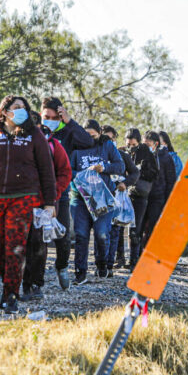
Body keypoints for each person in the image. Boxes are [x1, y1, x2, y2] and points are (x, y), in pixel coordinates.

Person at [0, 95, 56, 313]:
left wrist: (49, 202)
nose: (21, 111)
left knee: (15, 247)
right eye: (16, 107)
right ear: (4, 111)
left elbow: (47, 169)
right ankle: (10, 283)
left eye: (24, 108)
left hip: (23, 199)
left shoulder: (34, 135)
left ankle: (10, 294)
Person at [40, 97, 93, 290]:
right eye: (47, 116)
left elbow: (87, 142)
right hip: (36, 193)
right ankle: (36, 278)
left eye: (55, 117)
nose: (50, 120)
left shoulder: (67, 132)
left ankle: (61, 266)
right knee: (38, 238)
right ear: (41, 114)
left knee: (62, 238)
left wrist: (70, 122)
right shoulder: (35, 131)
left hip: (60, 192)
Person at [21, 111, 72, 301]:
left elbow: (65, 172)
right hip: (18, 201)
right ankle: (17, 283)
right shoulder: (15, 143)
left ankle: (34, 285)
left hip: (44, 203)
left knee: (38, 244)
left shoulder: (52, 144)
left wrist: (52, 196)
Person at [70, 120, 124, 284]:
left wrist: (104, 168)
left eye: (93, 135)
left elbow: (120, 166)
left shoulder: (107, 146)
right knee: (81, 235)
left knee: (101, 234)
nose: (89, 139)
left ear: (99, 133)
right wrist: (82, 174)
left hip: (101, 198)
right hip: (80, 198)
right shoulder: (75, 147)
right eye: (86, 135)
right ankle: (80, 272)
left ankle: (102, 264)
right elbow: (67, 169)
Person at [102, 125, 140, 277]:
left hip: (117, 200)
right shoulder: (96, 154)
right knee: (101, 233)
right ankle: (101, 263)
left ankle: (109, 266)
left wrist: (126, 183)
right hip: (99, 199)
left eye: (112, 138)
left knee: (114, 232)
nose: (109, 141)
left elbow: (135, 172)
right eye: (106, 138)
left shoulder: (122, 156)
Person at [124, 128, 159, 269]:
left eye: (134, 144)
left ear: (139, 142)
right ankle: (123, 258)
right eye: (129, 144)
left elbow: (153, 174)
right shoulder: (123, 152)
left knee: (136, 228)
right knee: (124, 228)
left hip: (139, 195)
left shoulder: (146, 153)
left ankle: (134, 260)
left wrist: (138, 171)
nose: (131, 147)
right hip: (125, 194)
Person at [140, 130, 177, 251]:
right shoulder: (139, 155)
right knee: (138, 228)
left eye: (148, 144)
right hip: (141, 196)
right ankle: (136, 257)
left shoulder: (166, 158)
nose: (145, 146)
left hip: (157, 197)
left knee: (153, 227)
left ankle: (150, 253)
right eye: (143, 143)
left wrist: (168, 201)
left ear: (156, 144)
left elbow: (171, 181)